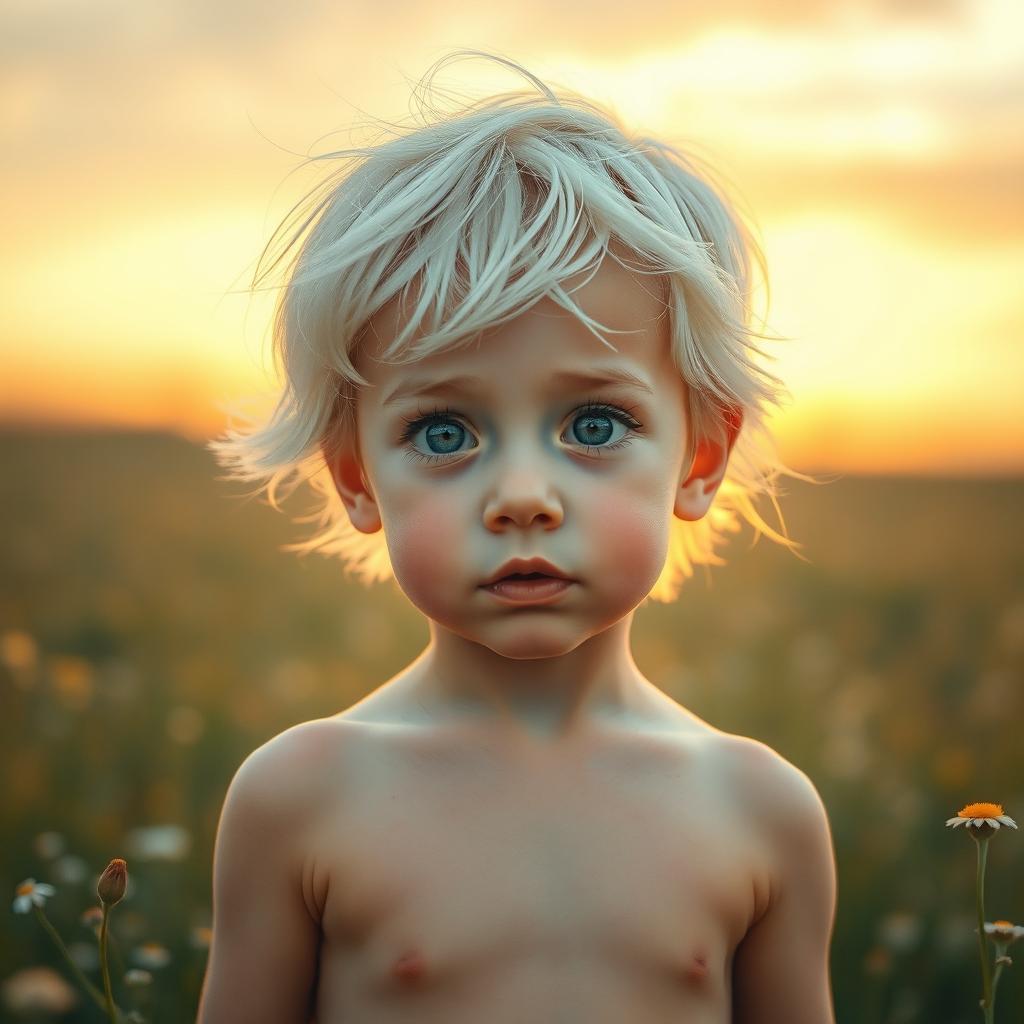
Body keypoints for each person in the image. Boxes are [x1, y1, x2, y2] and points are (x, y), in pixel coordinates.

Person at [198, 48, 837, 1023]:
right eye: (444, 433)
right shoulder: (302, 797)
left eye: (592, 425)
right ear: (358, 476)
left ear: (700, 458)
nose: (523, 496)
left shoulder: (759, 812)